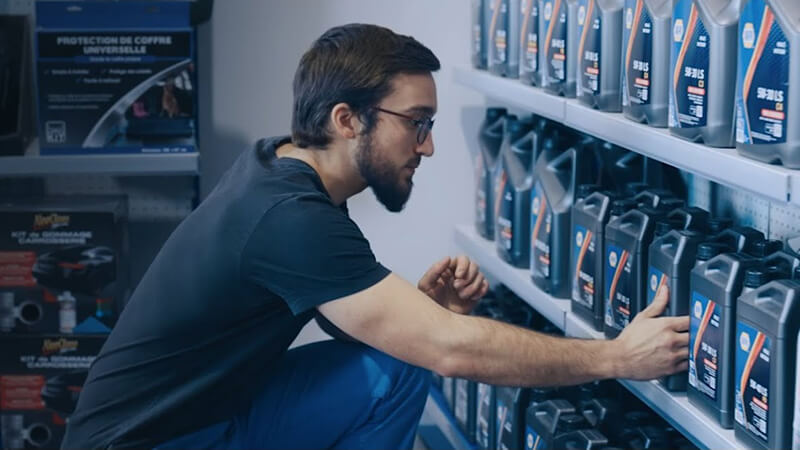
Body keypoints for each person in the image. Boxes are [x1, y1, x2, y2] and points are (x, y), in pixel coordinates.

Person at [61, 24, 689, 449]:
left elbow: (344, 312)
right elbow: (449, 351)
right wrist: (617, 358)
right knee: (408, 366)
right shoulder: (287, 216)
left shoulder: (279, 169)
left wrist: (419, 310)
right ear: (345, 120)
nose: (431, 144)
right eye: (416, 123)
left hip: (199, 414)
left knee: (396, 356)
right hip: (155, 440)